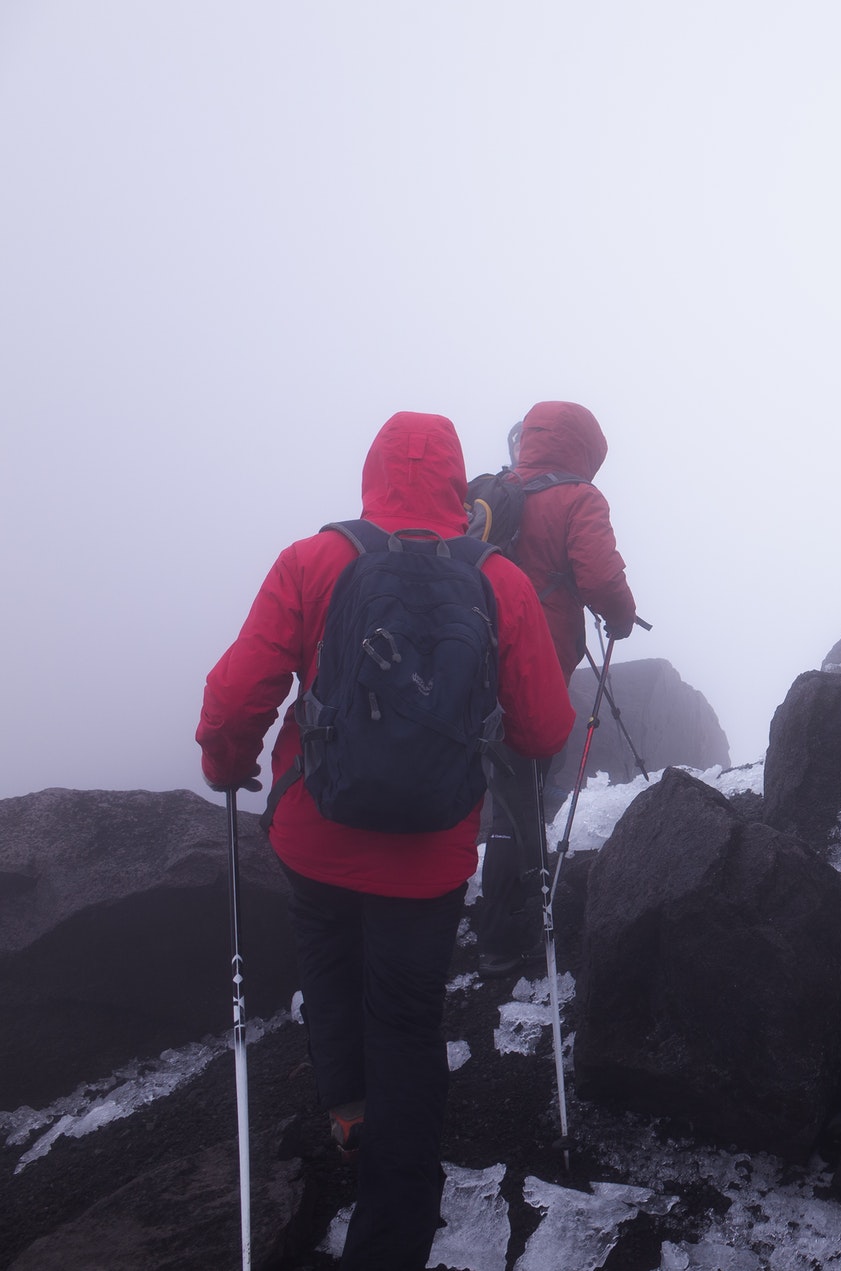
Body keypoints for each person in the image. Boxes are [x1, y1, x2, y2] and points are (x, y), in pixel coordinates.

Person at [198, 412, 574, 1270]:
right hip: (431, 855)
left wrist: (229, 762)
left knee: (330, 979)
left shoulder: (315, 560)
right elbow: (546, 722)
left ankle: (352, 1121)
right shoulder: (498, 579)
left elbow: (234, 698)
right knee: (406, 1021)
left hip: (317, 839)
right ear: (455, 485)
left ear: (372, 473)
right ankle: (393, 1232)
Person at [472, 399, 640, 979]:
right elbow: (598, 576)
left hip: (469, 658)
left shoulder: (493, 491)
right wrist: (620, 616)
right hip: (534, 661)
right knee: (526, 790)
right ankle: (504, 933)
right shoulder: (578, 497)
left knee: (496, 783)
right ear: (586, 449)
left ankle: (466, 909)